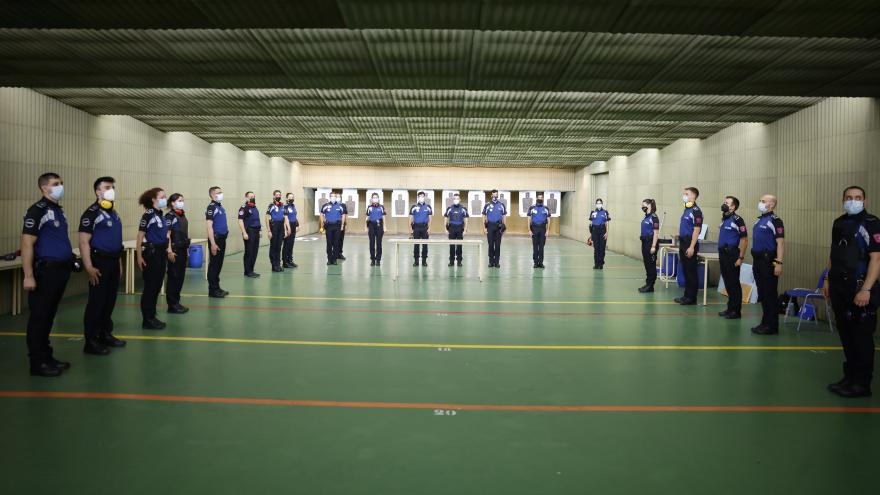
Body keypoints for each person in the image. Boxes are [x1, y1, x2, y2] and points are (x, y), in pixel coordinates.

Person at [824, 186, 879, 398]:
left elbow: (876, 259)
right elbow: (833, 253)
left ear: (865, 200)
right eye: (848, 198)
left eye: (857, 198)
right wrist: (828, 278)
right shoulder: (839, 223)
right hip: (839, 286)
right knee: (846, 334)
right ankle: (850, 377)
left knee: (861, 337)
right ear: (843, 200)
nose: (852, 201)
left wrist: (866, 289)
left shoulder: (872, 223)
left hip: (860, 287)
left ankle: (862, 383)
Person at [20, 173, 75, 376]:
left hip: (60, 269)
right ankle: (38, 363)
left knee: (49, 316)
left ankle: (47, 356)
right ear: (44, 188)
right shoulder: (37, 210)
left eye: (61, 183)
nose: (60, 187)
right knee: (40, 317)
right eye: (55, 184)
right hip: (46, 271)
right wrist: (28, 275)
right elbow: (27, 243)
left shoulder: (58, 210)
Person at [79, 177, 126, 355]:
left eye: (112, 187)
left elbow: (116, 241)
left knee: (109, 301)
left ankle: (105, 334)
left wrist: (119, 263)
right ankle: (91, 341)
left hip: (113, 261)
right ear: (98, 191)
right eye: (107, 187)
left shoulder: (114, 212)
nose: (111, 190)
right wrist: (89, 266)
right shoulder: (91, 213)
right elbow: (84, 242)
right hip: (99, 262)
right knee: (96, 302)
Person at [751, 194, 785, 335]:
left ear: (772, 204)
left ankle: (772, 326)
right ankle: (765, 323)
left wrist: (778, 263)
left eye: (763, 201)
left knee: (770, 294)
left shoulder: (775, 221)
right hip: (758, 260)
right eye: (760, 200)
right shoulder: (760, 220)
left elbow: (780, 243)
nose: (760, 203)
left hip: (768, 261)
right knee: (763, 294)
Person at [136, 187, 170, 330]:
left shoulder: (161, 214)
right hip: (152, 254)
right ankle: (147, 319)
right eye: (162, 197)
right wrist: (138, 256)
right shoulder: (148, 215)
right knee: (150, 287)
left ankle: (152, 315)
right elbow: (140, 236)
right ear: (153, 199)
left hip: (161, 253)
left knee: (157, 286)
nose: (164, 199)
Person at [717, 196, 748, 318]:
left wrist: (740, 258)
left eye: (727, 203)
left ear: (733, 206)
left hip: (732, 254)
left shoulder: (738, 220)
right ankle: (730, 308)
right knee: (727, 282)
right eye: (724, 202)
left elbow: (744, 240)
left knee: (734, 283)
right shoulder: (725, 218)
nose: (724, 204)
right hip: (723, 254)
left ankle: (736, 311)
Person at [675, 187, 703, 305]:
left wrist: (691, 246)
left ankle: (692, 298)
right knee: (686, 271)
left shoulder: (696, 211)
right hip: (683, 243)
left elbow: (697, 230)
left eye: (686, 194)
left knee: (691, 272)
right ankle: (686, 296)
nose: (684, 195)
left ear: (693, 196)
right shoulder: (687, 209)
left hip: (690, 243)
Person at [164, 193, 190, 315]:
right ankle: (172, 304)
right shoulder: (169, 216)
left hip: (183, 249)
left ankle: (176, 302)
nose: (182, 202)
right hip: (174, 251)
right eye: (180, 200)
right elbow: (167, 235)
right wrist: (169, 250)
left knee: (180, 277)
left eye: (182, 200)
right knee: (174, 277)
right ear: (173, 203)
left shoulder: (182, 214)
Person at [205, 186, 229, 298]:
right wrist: (213, 244)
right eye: (218, 193)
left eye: (221, 192)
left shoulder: (220, 207)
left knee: (219, 265)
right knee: (214, 265)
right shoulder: (211, 207)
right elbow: (209, 227)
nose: (220, 194)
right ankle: (212, 290)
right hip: (216, 240)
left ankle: (217, 287)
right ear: (212, 195)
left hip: (222, 239)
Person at [638, 199, 660, 292]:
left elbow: (656, 233)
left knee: (651, 265)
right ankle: (648, 284)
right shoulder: (645, 217)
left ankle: (651, 285)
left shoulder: (654, 217)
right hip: (644, 242)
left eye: (643, 205)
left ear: (649, 205)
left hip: (651, 242)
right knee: (647, 264)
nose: (642, 207)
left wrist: (654, 246)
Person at [238, 191, 261, 278]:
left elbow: (257, 220)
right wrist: (244, 232)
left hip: (256, 231)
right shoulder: (244, 208)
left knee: (254, 252)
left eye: (253, 196)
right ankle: (247, 271)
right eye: (251, 196)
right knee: (249, 252)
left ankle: (251, 270)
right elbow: (240, 220)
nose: (252, 198)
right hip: (249, 231)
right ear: (246, 198)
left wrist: (260, 231)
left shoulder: (254, 207)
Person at [483, 190, 507, 268]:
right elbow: (484, 216)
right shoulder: (487, 205)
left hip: (498, 227)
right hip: (490, 226)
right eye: (493, 195)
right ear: (491, 195)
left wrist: (504, 227)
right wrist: (484, 228)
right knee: (490, 244)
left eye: (496, 195)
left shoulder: (501, 205)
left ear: (498, 195)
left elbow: (504, 216)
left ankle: (497, 262)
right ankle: (491, 261)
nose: (495, 196)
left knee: (497, 245)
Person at [320, 192, 346, 265]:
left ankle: (334, 259)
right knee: (329, 243)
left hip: (337, 226)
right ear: (330, 197)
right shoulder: (325, 205)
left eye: (334, 196)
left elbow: (343, 215)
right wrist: (322, 223)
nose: (333, 197)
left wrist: (342, 225)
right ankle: (329, 259)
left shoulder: (340, 206)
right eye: (332, 196)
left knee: (336, 243)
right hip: (329, 226)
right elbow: (321, 214)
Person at [444, 193, 469, 267]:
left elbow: (466, 219)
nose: (456, 200)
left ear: (460, 200)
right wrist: (445, 229)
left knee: (459, 245)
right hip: (451, 228)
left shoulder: (463, 209)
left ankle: (459, 261)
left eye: (457, 198)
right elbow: (445, 218)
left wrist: (465, 229)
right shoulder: (449, 208)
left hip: (460, 228)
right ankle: (451, 261)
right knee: (451, 245)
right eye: (454, 198)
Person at [527, 193, 551, 269]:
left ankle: (541, 263)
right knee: (535, 246)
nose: (540, 199)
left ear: (543, 199)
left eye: (541, 197)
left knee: (541, 247)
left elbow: (549, 220)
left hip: (543, 229)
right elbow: (528, 219)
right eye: (539, 197)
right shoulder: (532, 208)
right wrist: (529, 230)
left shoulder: (546, 208)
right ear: (536, 198)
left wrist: (547, 230)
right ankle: (535, 263)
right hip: (534, 228)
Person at [410, 192, 433, 266]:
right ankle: (416, 261)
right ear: (418, 197)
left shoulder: (428, 207)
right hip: (416, 227)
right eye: (420, 196)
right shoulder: (414, 206)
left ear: (424, 197)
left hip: (425, 228)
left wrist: (429, 228)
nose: (421, 198)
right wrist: (410, 229)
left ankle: (424, 261)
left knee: (425, 245)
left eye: (422, 196)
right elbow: (410, 218)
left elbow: (430, 218)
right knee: (416, 244)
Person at [265, 190, 285, 272]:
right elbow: (266, 218)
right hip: (274, 226)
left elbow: (283, 217)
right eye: (277, 195)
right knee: (273, 246)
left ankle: (278, 264)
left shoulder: (282, 205)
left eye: (279, 195)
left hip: (280, 226)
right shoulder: (271, 205)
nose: (278, 196)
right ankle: (274, 265)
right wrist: (269, 231)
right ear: (273, 196)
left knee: (279, 246)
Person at [365, 192, 386, 266]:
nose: (375, 199)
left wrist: (384, 226)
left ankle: (378, 260)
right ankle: (373, 260)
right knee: (372, 243)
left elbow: (383, 217)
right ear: (372, 199)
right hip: (371, 225)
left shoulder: (381, 207)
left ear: (378, 198)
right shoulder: (369, 207)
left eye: (376, 197)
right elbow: (367, 217)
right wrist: (365, 227)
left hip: (379, 225)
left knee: (379, 243)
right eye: (374, 197)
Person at [589, 199, 611, 269]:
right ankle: (596, 264)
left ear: (602, 204)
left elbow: (607, 223)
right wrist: (591, 235)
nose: (599, 204)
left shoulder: (605, 212)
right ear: (595, 204)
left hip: (602, 231)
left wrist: (607, 232)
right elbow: (591, 224)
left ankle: (601, 264)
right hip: (595, 231)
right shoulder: (593, 212)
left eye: (600, 203)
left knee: (602, 248)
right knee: (596, 249)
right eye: (597, 203)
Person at [282, 192, 298, 268]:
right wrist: (287, 229)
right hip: (288, 226)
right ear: (287, 198)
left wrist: (297, 225)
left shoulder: (293, 206)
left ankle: (290, 260)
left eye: (293, 197)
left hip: (293, 225)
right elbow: (285, 219)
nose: (292, 198)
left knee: (291, 245)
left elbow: (295, 216)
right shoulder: (285, 207)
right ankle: (285, 262)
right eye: (290, 197)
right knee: (286, 245)